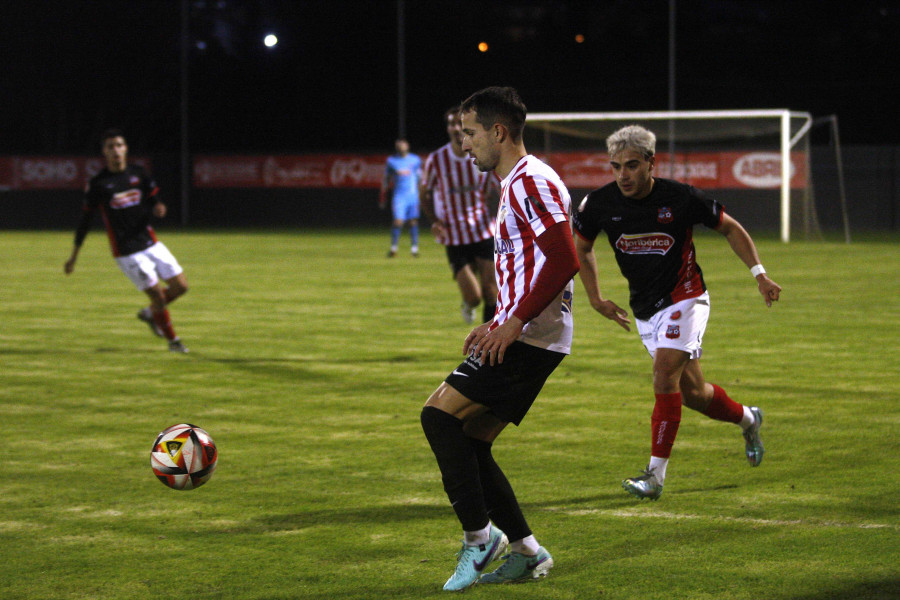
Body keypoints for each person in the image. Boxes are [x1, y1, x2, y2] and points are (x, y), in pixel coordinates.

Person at [420, 87, 579, 590]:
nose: (464, 146)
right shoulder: (517, 182)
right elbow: (532, 263)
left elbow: (564, 258)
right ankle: (528, 551)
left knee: (438, 417)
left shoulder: (531, 181)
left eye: (468, 133)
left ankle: (478, 539)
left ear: (498, 132)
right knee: (471, 438)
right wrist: (499, 319)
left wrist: (513, 323)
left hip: (532, 336)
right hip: (528, 331)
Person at [571, 124, 782, 500]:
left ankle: (654, 477)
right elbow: (581, 247)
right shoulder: (599, 204)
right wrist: (595, 298)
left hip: (686, 297)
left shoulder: (681, 198)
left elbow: (730, 229)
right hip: (645, 308)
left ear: (652, 163)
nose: (623, 175)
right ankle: (750, 418)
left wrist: (760, 275)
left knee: (663, 373)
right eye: (616, 166)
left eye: (632, 165)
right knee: (694, 393)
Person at [64, 129, 189, 353]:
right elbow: (85, 221)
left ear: (126, 149)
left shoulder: (139, 173)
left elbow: (153, 197)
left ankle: (150, 314)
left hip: (150, 242)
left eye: (119, 145)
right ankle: (174, 342)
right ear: (104, 152)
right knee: (158, 296)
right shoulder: (99, 184)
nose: (115, 151)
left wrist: (158, 206)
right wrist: (74, 256)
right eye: (110, 147)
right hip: (127, 251)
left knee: (181, 286)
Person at [420, 105, 499, 324]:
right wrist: (434, 221)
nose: (455, 128)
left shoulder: (482, 154)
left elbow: (498, 186)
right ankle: (467, 303)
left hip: (483, 230)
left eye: (459, 123)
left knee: (491, 292)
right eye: (451, 124)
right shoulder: (437, 160)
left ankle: (486, 344)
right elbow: (424, 194)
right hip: (454, 235)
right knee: (474, 298)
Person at [379, 138, 422, 257]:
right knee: (398, 221)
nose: (401, 145)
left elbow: (420, 178)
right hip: (399, 196)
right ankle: (393, 248)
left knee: (413, 222)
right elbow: (386, 179)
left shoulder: (415, 160)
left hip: (413, 196)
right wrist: (383, 196)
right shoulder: (391, 161)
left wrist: (421, 194)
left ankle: (414, 249)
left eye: (403, 143)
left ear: (407, 145)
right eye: (399, 144)